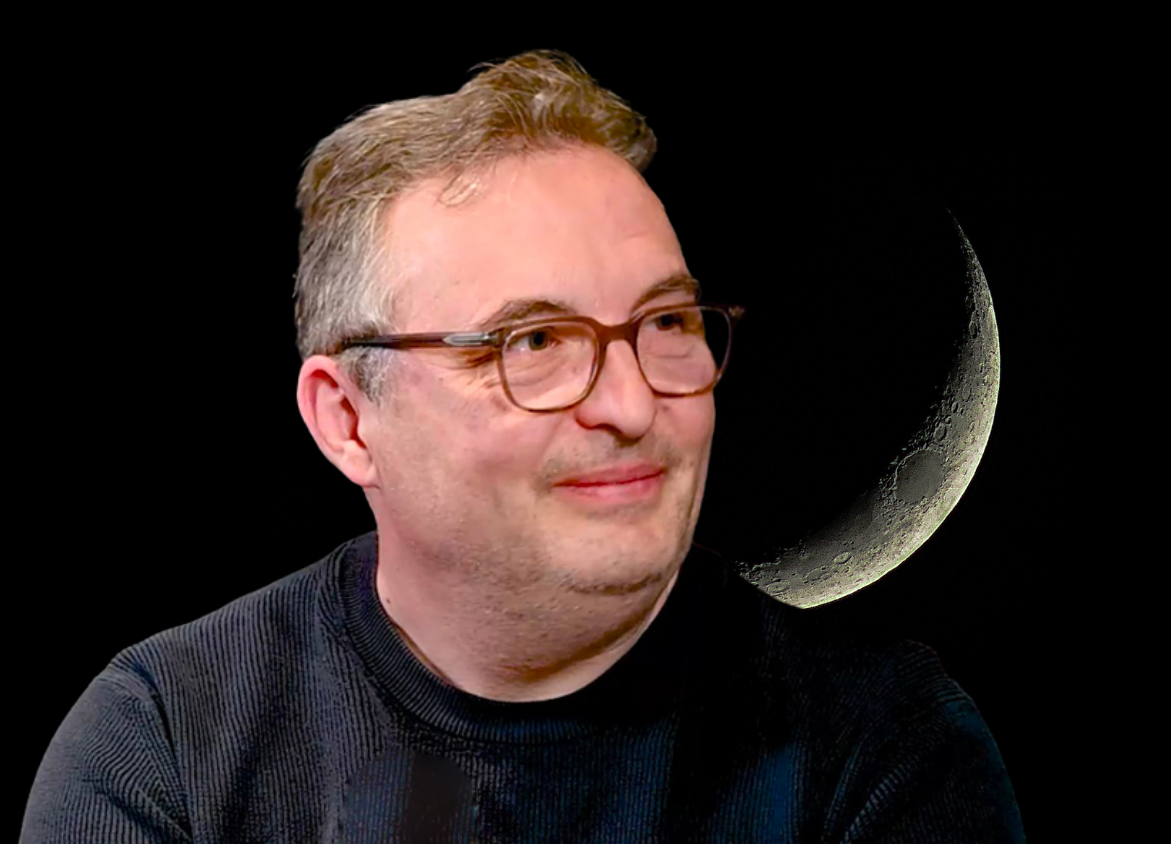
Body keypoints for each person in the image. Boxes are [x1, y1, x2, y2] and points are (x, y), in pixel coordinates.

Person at [22, 50, 1025, 842]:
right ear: (347, 418)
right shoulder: (169, 742)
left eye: (667, 323)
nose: (633, 404)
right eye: (535, 342)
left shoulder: (882, 746)